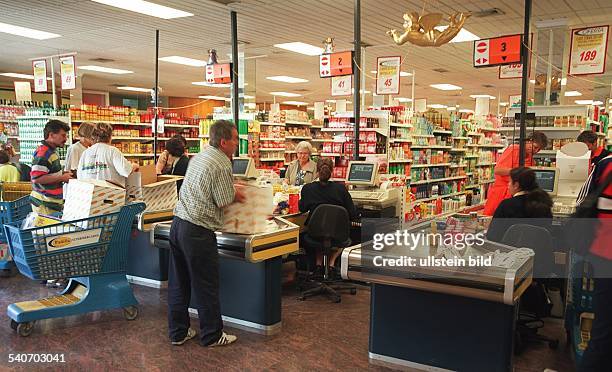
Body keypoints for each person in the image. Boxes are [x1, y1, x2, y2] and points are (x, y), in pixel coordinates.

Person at [168, 120, 245, 347]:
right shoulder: (222, 163)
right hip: (198, 232)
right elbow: (222, 201)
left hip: (178, 224)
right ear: (224, 142)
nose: (236, 143)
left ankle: (178, 332)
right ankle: (212, 335)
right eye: (234, 139)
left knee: (178, 283)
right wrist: (238, 195)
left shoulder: (199, 156)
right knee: (206, 285)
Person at [578, 155, 612, 372]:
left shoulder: (605, 163)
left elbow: (583, 199)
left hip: (602, 254)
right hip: (606, 254)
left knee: (603, 330)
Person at [299, 158, 358, 272]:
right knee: (347, 235)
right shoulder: (341, 189)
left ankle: (318, 265)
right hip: (338, 234)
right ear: (332, 170)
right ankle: (331, 264)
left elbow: (302, 208)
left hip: (314, 233)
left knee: (317, 237)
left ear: (317, 170)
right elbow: (352, 213)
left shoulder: (308, 189)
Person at [484, 132, 548, 216]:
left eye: (539, 149)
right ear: (528, 141)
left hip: (518, 197)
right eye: (535, 147)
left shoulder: (531, 160)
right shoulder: (514, 149)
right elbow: (498, 170)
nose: (536, 151)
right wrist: (517, 172)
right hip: (500, 193)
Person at [486, 167, 553, 242]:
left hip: (511, 251)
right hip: (539, 251)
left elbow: (492, 236)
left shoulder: (507, 205)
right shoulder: (544, 202)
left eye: (510, 182)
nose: (508, 185)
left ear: (516, 185)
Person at [30, 119, 73, 214]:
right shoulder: (43, 153)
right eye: (63, 135)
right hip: (44, 204)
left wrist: (62, 174)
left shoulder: (52, 151)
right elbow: (37, 178)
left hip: (51, 203)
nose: (65, 139)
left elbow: (48, 173)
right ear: (51, 135)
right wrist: (61, 177)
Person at [77, 123, 139, 187]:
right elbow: (125, 170)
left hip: (90, 193)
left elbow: (79, 177)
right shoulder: (112, 151)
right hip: (110, 194)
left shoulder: (85, 153)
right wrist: (134, 166)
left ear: (93, 136)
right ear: (110, 137)